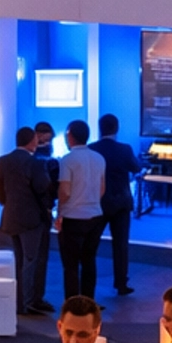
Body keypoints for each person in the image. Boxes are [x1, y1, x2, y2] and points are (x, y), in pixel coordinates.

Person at [0, 126, 55, 318]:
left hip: (12, 216)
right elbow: (43, 187)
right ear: (31, 141)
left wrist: (8, 203)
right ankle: (29, 302)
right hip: (31, 219)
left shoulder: (4, 161)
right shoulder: (34, 163)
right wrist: (47, 207)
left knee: (20, 260)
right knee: (31, 260)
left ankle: (21, 301)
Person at [90, 113, 142, 298]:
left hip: (98, 202)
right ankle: (121, 284)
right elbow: (136, 167)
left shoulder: (91, 149)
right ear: (117, 128)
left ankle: (89, 287)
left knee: (91, 246)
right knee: (121, 245)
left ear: (100, 128)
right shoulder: (125, 150)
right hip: (121, 203)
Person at [56, 121, 106, 302]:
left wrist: (59, 212)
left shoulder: (68, 160)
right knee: (89, 260)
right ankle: (88, 301)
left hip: (73, 217)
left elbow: (65, 191)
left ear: (70, 136)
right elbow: (102, 189)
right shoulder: (99, 158)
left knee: (70, 265)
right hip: (95, 214)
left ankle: (72, 303)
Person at [32, 124, 61, 312]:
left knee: (25, 259)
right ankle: (35, 298)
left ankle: (25, 297)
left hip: (24, 215)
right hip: (42, 213)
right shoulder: (50, 163)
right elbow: (54, 190)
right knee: (40, 258)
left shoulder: (21, 160)